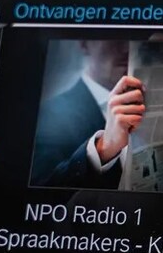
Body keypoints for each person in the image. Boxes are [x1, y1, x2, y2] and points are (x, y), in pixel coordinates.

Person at [30, 40, 146, 188]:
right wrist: (103, 148)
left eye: (134, 39)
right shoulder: (49, 114)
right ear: (84, 44)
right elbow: (42, 189)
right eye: (114, 37)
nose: (127, 48)